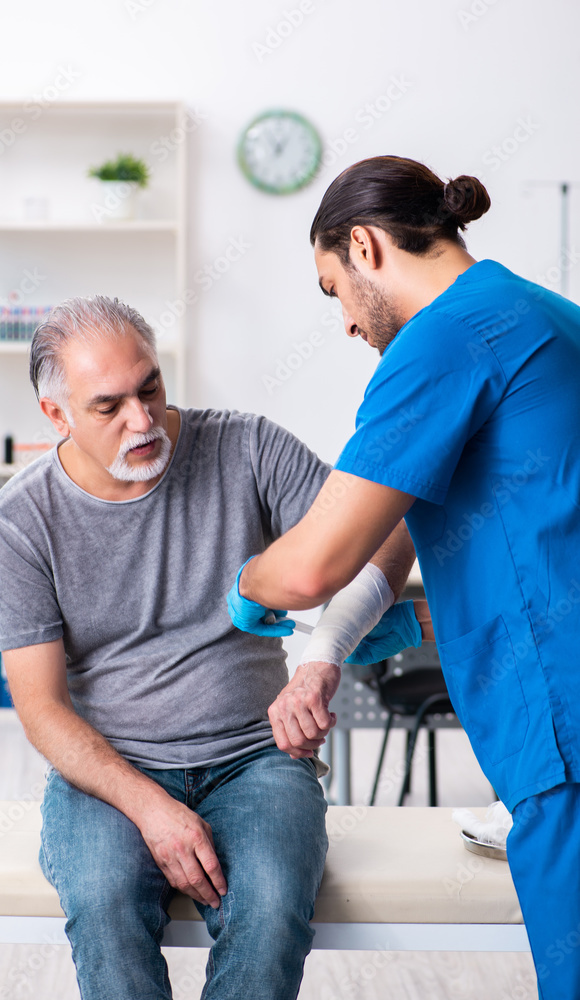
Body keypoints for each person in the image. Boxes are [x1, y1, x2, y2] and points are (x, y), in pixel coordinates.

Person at [0, 295, 415, 1000]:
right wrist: (153, 809)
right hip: (112, 774)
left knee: (272, 905)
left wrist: (320, 656)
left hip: (254, 758)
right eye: (109, 406)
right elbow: (41, 709)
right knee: (103, 903)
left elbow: (387, 536)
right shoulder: (19, 522)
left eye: (150, 387)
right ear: (56, 416)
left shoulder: (246, 446)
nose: (142, 421)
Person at [226, 155, 580, 1000]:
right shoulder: (538, 313)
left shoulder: (441, 341)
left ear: (365, 247)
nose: (345, 323)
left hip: (558, 714)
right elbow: (398, 527)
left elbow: (314, 560)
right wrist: (326, 651)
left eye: (332, 288)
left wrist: (244, 579)